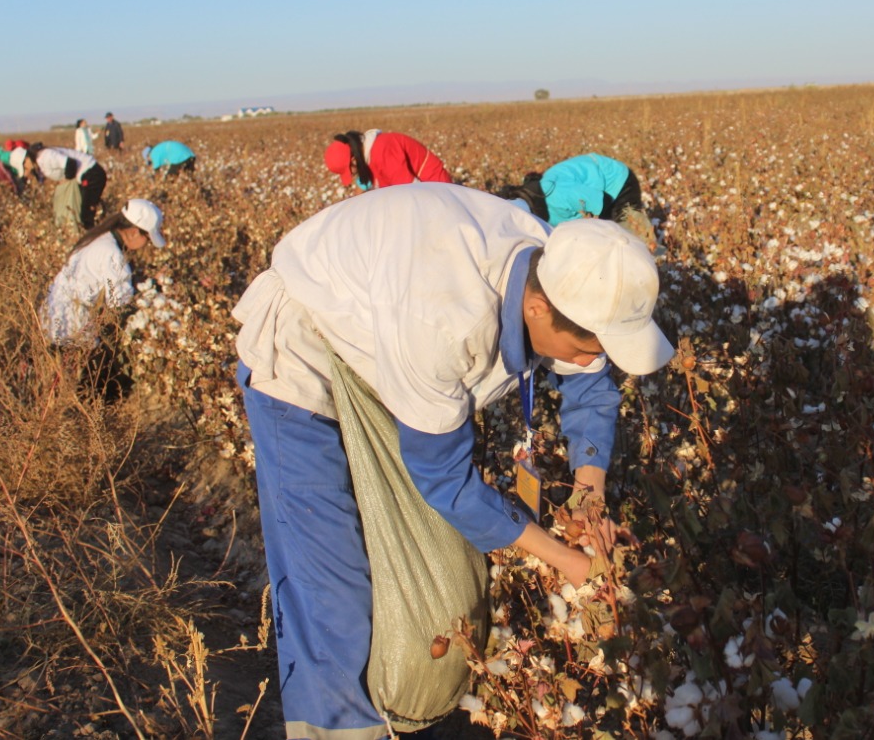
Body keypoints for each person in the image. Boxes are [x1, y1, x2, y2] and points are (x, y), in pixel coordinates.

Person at [232, 184, 673, 739]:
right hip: (304, 351)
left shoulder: (565, 271)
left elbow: (590, 386)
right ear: (536, 309)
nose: (595, 358)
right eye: (592, 345)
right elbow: (445, 479)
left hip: (383, 345)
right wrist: (569, 561)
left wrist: (589, 494)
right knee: (330, 591)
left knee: (413, 567)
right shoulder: (444, 320)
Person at [42, 199, 166, 399]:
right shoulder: (112, 254)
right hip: (72, 325)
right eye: (148, 238)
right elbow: (121, 302)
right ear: (134, 231)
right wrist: (154, 290)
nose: (147, 245)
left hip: (57, 316)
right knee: (104, 388)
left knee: (80, 386)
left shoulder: (100, 238)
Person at [498, 153, 656, 250]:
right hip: (594, 188)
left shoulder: (557, 194)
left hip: (618, 182)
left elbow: (602, 201)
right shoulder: (534, 209)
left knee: (631, 238)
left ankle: (656, 258)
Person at [322, 129, 452, 190]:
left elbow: (410, 191)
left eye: (351, 170)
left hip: (436, 188)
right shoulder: (370, 154)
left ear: (353, 160)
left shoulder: (382, 151)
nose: (353, 174)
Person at [24, 143, 108, 229]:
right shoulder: (40, 162)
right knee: (85, 208)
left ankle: (92, 233)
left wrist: (67, 179)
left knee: (86, 213)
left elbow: (70, 163)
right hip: (86, 175)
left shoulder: (46, 156)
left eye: (24, 166)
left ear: (27, 158)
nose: (25, 168)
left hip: (91, 173)